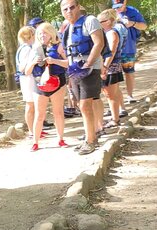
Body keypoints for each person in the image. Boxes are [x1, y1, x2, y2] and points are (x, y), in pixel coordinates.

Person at [60, 0, 105, 156]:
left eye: (72, 7)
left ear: (78, 7)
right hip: (75, 71)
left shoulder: (90, 21)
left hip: (89, 69)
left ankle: (91, 140)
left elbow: (99, 43)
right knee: (81, 106)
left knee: (86, 104)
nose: (69, 11)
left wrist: (88, 63)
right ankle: (89, 137)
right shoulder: (67, 27)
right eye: (65, 9)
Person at [25, 22, 69, 152]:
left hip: (57, 82)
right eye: (39, 33)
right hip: (40, 84)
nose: (42, 35)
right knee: (39, 114)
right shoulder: (34, 49)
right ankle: (35, 142)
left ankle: (60, 139)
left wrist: (54, 61)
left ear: (51, 33)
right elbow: (27, 72)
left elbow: (68, 64)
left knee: (58, 112)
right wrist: (33, 62)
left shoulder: (59, 46)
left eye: (45, 32)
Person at [112, 0, 147, 104]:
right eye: (115, 6)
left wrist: (133, 23)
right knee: (114, 75)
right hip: (114, 50)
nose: (117, 8)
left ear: (125, 2)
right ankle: (115, 101)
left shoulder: (133, 12)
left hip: (128, 48)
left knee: (129, 72)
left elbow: (144, 26)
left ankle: (130, 95)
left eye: (119, 6)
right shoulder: (111, 13)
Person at [98, 9, 126, 128]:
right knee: (111, 93)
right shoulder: (107, 33)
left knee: (110, 94)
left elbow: (112, 52)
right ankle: (115, 116)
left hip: (111, 66)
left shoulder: (112, 33)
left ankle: (115, 119)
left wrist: (105, 67)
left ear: (109, 21)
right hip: (110, 66)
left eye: (101, 22)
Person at [16, 26, 38, 138]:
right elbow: (22, 68)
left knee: (33, 104)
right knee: (30, 104)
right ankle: (31, 131)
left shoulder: (26, 48)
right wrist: (33, 62)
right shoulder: (26, 49)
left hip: (27, 78)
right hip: (27, 79)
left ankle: (35, 129)